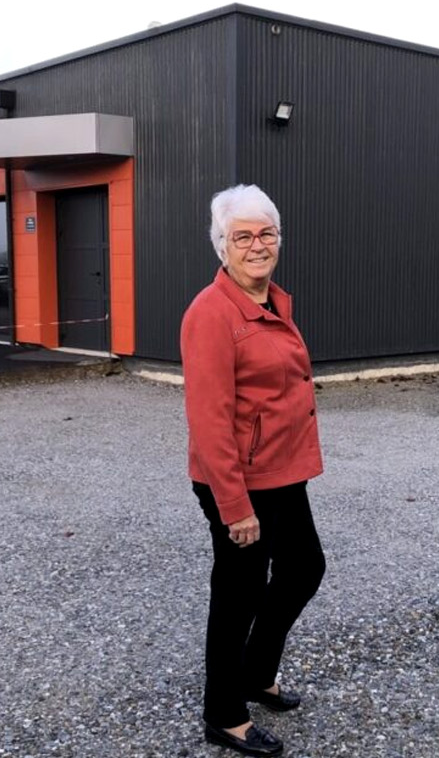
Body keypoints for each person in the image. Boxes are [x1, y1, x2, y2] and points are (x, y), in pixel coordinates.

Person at [180, 184, 326, 757]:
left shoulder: (271, 301)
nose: (257, 245)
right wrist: (234, 506)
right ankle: (224, 713)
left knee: (304, 568)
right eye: (243, 236)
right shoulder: (212, 313)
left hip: (282, 473)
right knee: (237, 593)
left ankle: (257, 672)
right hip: (239, 482)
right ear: (222, 245)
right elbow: (210, 419)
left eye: (267, 233)